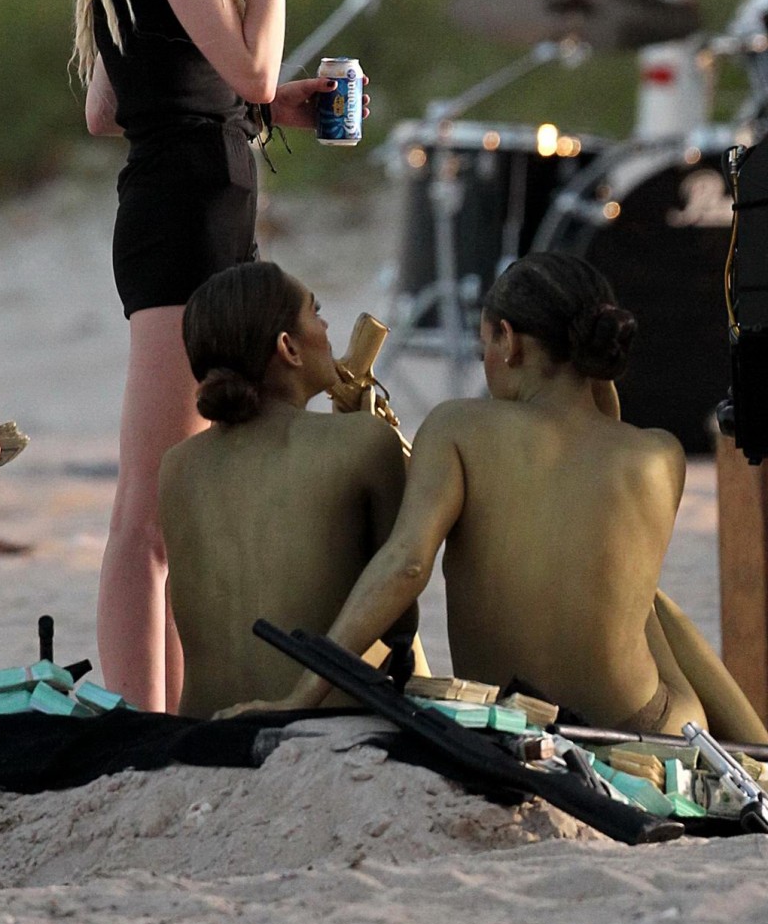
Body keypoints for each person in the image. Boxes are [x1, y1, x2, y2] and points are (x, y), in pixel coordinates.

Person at [73, 0, 354, 712]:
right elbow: (246, 67)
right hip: (182, 214)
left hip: (197, 194)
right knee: (152, 508)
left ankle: (176, 709)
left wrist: (272, 110)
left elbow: (112, 103)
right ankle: (141, 726)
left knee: (182, 503)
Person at [220, 251, 767, 741]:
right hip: (644, 723)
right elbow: (596, 439)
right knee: (641, 597)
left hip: (515, 718)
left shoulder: (459, 426)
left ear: (508, 340)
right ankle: (758, 747)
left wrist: (298, 697)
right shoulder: (660, 454)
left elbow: (407, 566)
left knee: (637, 595)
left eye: (486, 344)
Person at [159, 262, 423, 718]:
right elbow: (400, 620)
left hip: (202, 731)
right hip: (321, 725)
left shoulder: (177, 466)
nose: (326, 327)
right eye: (315, 313)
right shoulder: (363, 441)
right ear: (289, 348)